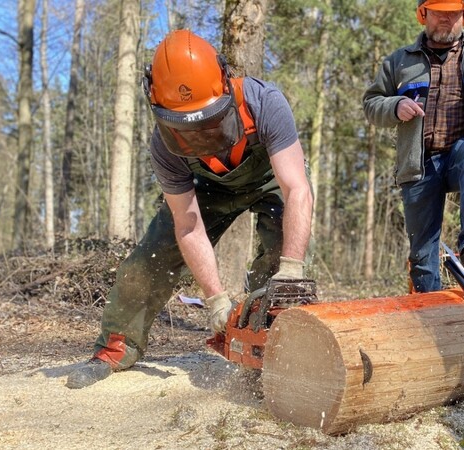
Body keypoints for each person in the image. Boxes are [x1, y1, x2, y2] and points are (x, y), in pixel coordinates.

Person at [66, 30, 313, 388]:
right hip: (206, 189)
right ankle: (116, 348)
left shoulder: (264, 102)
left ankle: (273, 346)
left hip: (269, 181)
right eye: (187, 128)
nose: (201, 137)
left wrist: (291, 271)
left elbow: (296, 189)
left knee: (280, 258)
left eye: (209, 121)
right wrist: (214, 299)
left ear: (225, 87)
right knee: (147, 261)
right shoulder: (164, 148)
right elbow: (187, 224)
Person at [363, 0, 464, 293]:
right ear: (424, 14)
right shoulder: (399, 61)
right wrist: (395, 106)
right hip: (419, 163)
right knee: (422, 257)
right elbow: (371, 103)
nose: (445, 19)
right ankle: (430, 312)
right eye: (438, 12)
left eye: (452, 13)